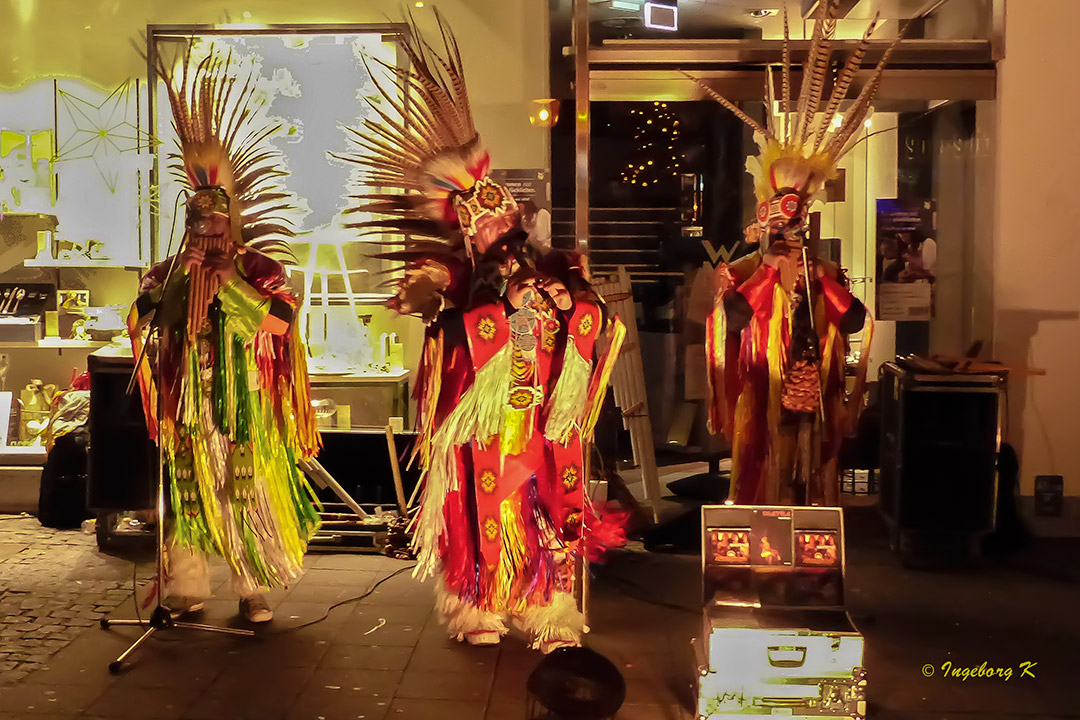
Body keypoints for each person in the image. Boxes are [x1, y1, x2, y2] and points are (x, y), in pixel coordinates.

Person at [339, 12, 625, 652]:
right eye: (485, 225)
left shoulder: (555, 261)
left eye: (504, 218)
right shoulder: (457, 270)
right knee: (480, 508)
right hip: (485, 421)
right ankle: (479, 607)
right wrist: (482, 304)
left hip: (546, 418)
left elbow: (598, 322)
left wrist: (568, 301)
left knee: (547, 509)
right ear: (469, 229)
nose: (498, 230)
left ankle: (550, 614)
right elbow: (426, 308)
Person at [127, 46, 320, 622]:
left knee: (243, 490)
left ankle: (250, 586)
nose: (203, 234)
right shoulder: (169, 272)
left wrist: (228, 282)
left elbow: (279, 325)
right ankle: (185, 587)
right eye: (195, 223)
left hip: (244, 406)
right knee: (187, 489)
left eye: (213, 225)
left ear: (231, 225)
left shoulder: (261, 269)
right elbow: (139, 321)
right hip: (185, 401)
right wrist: (174, 286)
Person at [694, 1, 890, 506]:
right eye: (778, 223)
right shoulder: (740, 271)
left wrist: (816, 278)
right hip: (761, 400)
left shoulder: (823, 272)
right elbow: (730, 324)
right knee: (760, 476)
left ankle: (812, 571)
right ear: (761, 221)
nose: (787, 231)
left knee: (814, 485)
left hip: (815, 403)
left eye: (795, 222)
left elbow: (855, 324)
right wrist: (769, 273)